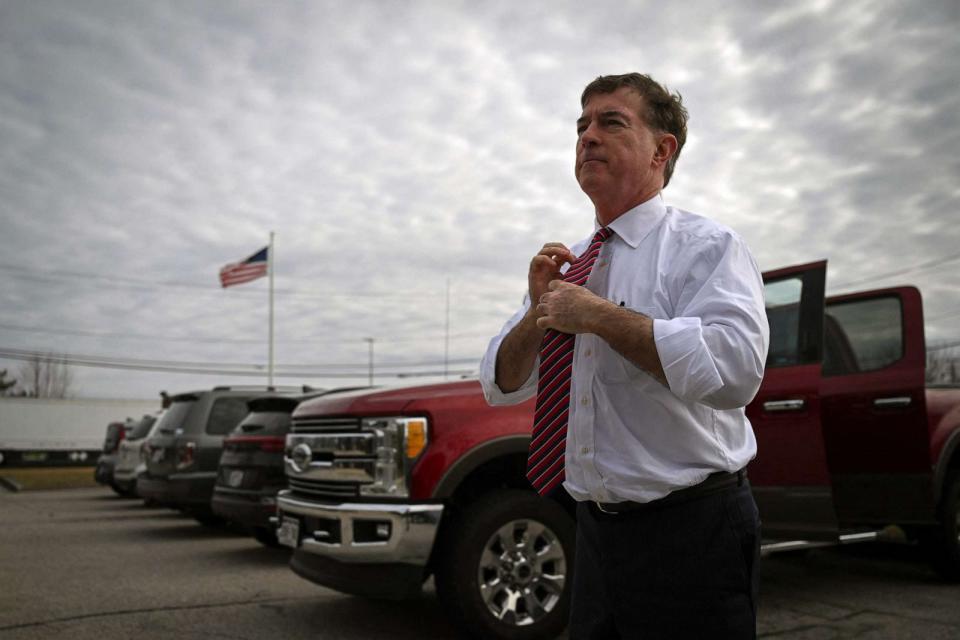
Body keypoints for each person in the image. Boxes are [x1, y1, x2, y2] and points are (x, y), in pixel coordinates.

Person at [478, 73, 770, 639]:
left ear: (663, 150)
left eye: (611, 122)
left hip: (693, 534)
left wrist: (602, 318)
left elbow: (734, 369)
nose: (588, 136)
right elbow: (502, 383)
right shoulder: (569, 266)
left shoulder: (709, 247)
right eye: (581, 125)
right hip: (594, 533)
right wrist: (538, 314)